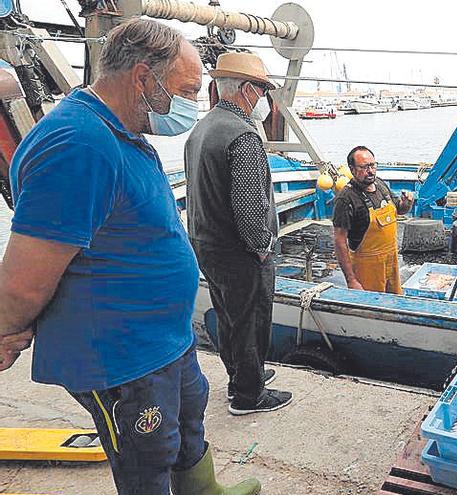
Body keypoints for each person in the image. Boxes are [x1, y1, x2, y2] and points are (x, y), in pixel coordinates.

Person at [0, 19, 260, 494]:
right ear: (143, 77)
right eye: (185, 90)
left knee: (189, 422)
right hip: (122, 354)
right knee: (148, 455)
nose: (191, 105)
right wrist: (6, 332)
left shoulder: (121, 131)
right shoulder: (78, 144)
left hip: (165, 339)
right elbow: (23, 282)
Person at [186, 52, 292, 416]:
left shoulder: (202, 128)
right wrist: (262, 246)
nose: (263, 100)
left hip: (206, 244)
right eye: (262, 91)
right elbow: (248, 207)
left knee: (228, 314)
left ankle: (243, 374)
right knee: (251, 319)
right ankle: (249, 395)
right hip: (238, 250)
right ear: (247, 90)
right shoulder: (243, 135)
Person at [333, 146, 413, 293]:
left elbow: (399, 209)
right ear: (352, 169)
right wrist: (351, 280)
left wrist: (406, 204)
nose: (370, 171)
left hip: (391, 262)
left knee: (395, 304)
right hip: (366, 267)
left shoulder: (381, 185)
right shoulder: (345, 198)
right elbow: (339, 241)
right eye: (364, 167)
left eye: (372, 165)